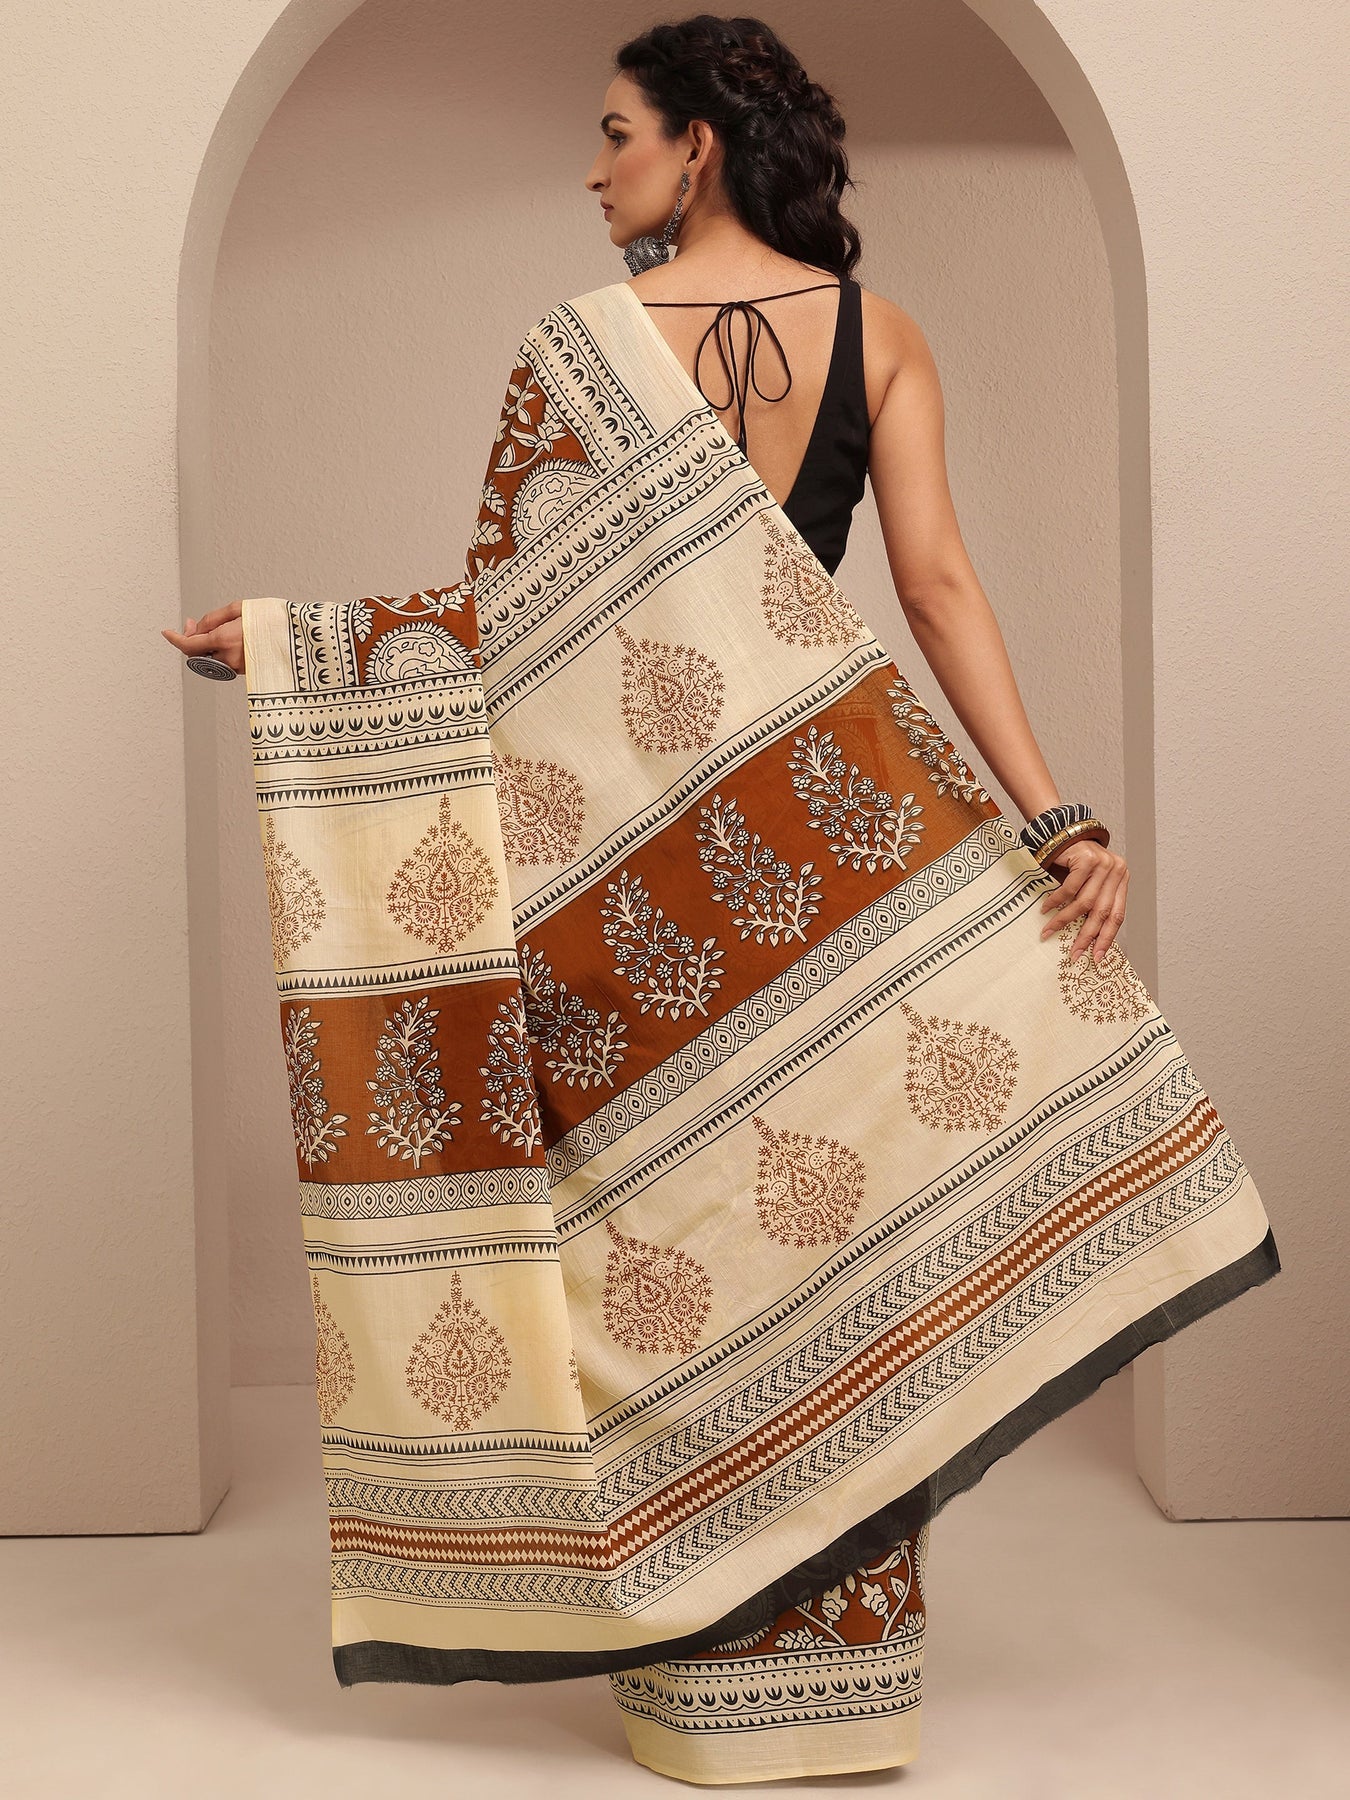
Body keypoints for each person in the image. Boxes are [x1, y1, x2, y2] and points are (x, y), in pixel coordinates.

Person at [163, 15, 1277, 1788]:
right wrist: (1049, 811)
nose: (590, 168)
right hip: (836, 837)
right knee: (835, 1240)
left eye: (614, 132)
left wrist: (303, 648)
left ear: (696, 144)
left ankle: (704, 1667)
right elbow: (936, 586)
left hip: (645, 874)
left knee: (680, 1234)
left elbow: (499, 633)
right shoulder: (879, 333)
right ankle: (836, 1690)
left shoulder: (574, 352)